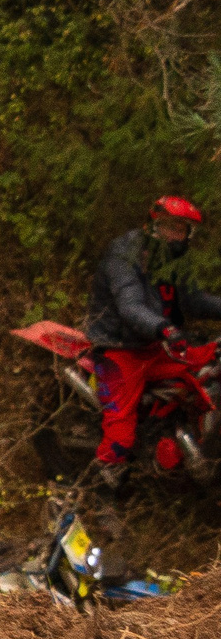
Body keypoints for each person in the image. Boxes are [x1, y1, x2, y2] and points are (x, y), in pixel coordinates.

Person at [86, 195, 221, 493]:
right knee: (120, 432)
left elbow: (194, 301)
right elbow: (130, 305)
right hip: (120, 347)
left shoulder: (176, 260)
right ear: (153, 224)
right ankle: (103, 498)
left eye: (182, 229)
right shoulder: (125, 254)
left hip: (156, 345)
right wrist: (164, 328)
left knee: (206, 374)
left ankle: (186, 448)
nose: (176, 235)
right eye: (170, 227)